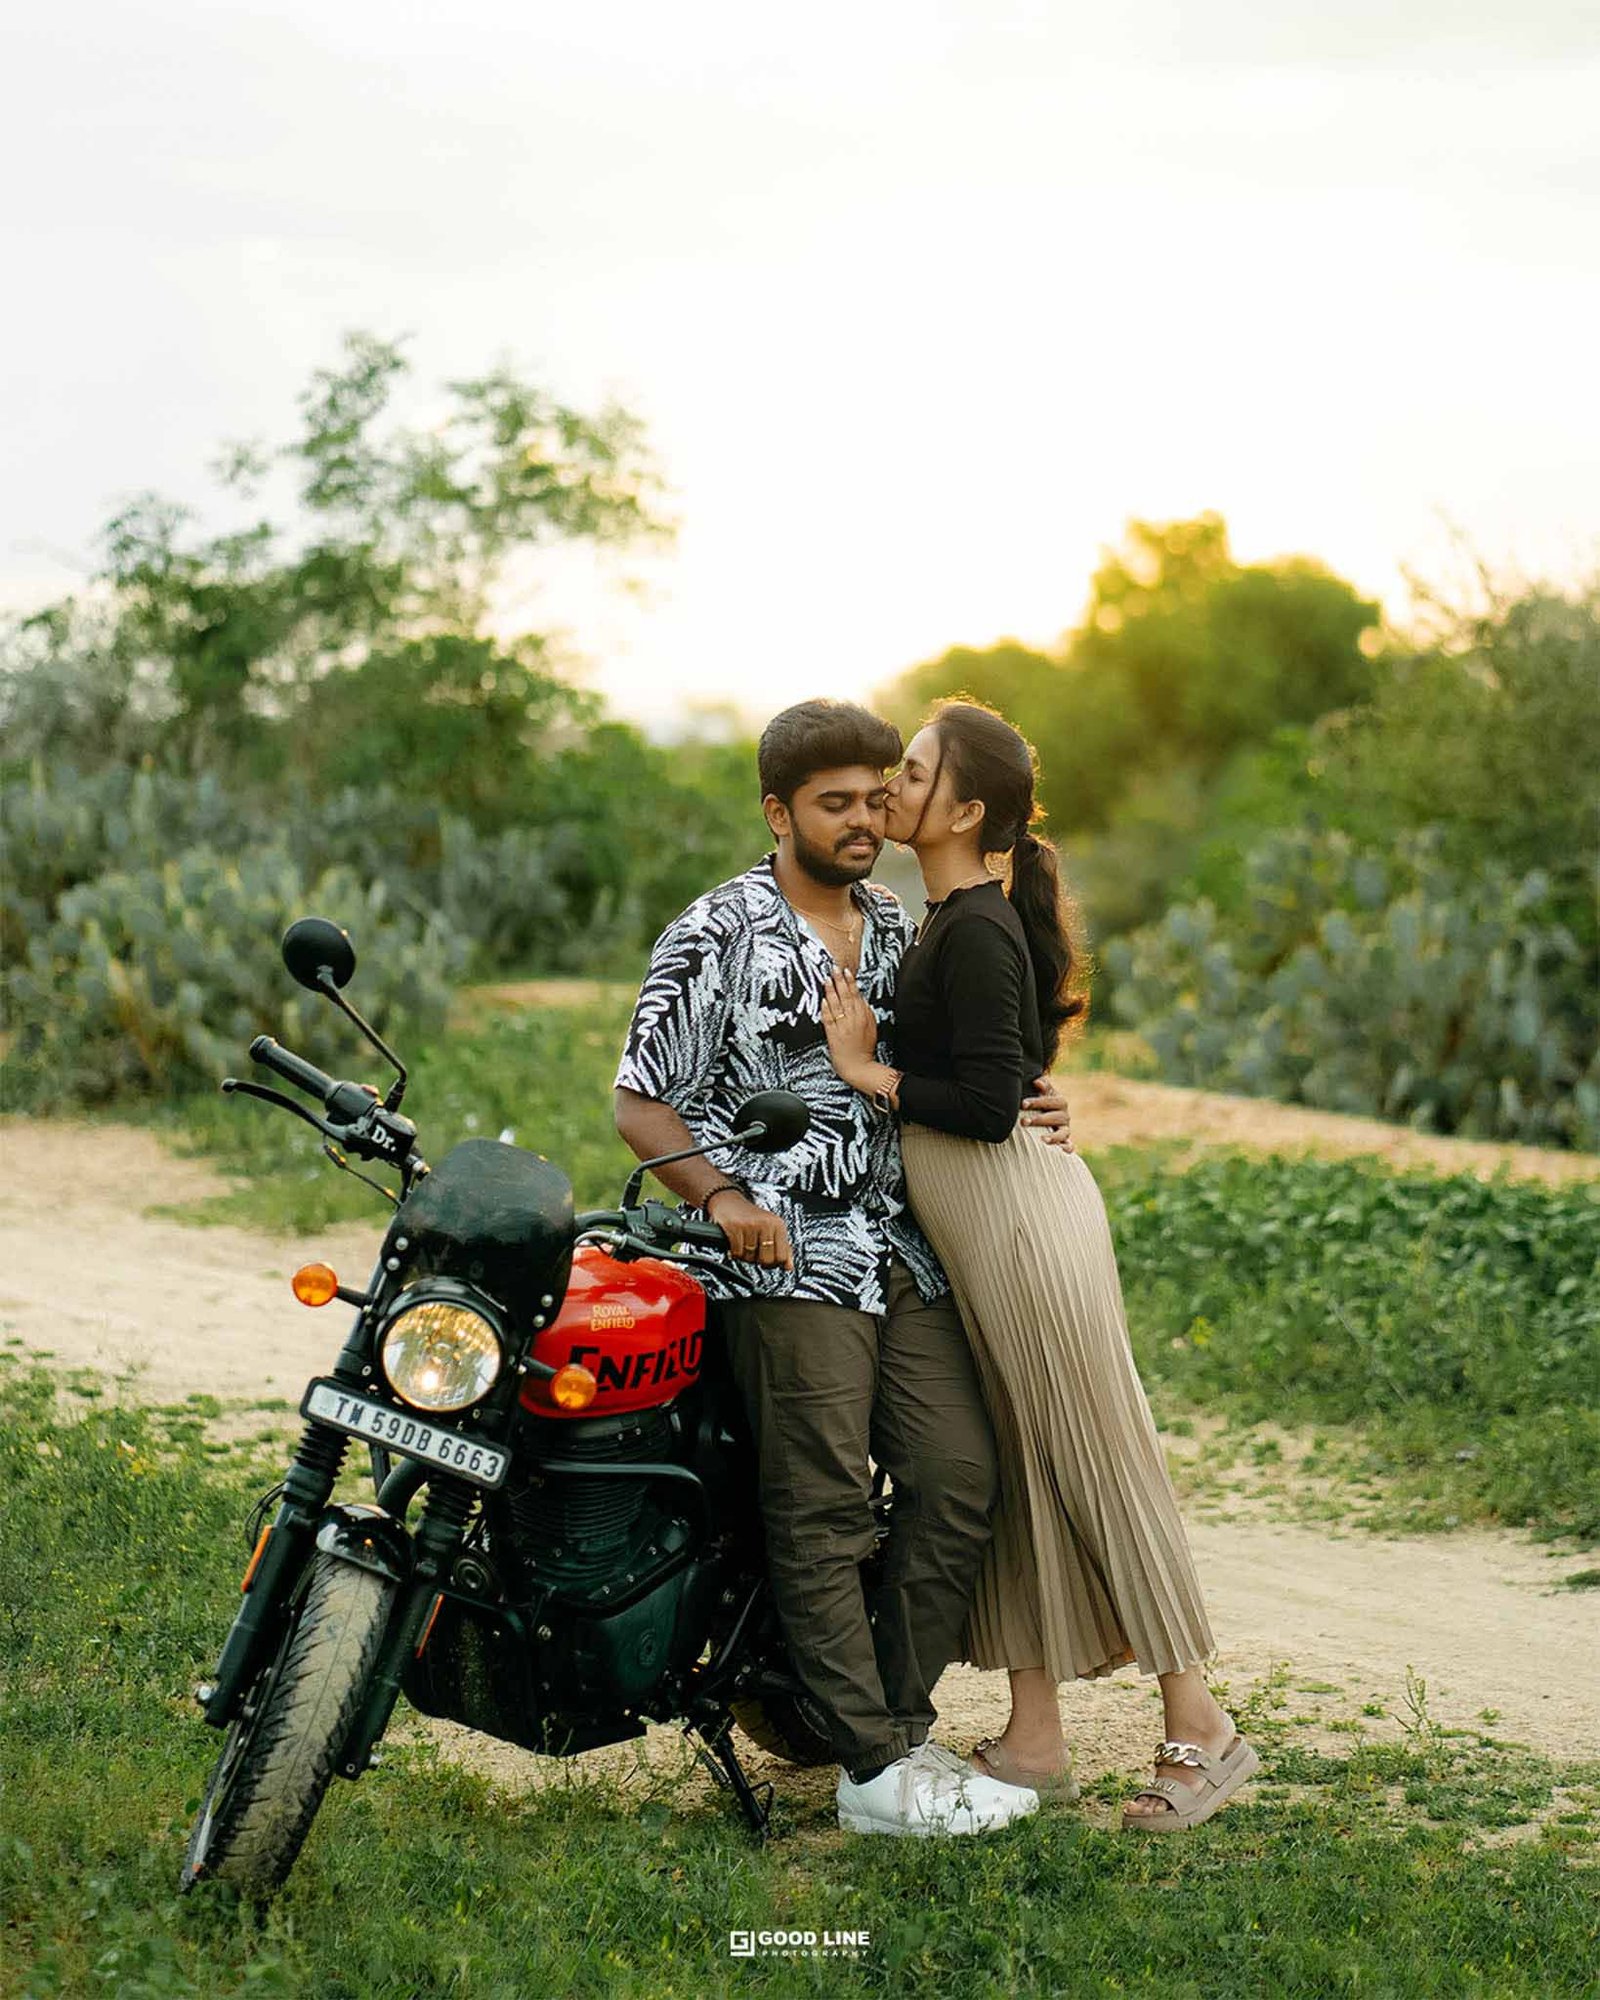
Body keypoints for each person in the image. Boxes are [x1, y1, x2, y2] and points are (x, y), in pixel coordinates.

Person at [612, 699, 1074, 1838]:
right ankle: (876, 1773)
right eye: (836, 802)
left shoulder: (892, 915)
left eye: (879, 794)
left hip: (899, 1241)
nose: (866, 819)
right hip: (782, 1253)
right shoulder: (717, 929)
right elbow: (639, 1096)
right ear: (778, 811)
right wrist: (721, 1199)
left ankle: (887, 1731)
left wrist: (1034, 1095)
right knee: (818, 1503)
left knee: (959, 1477)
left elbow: (950, 1065)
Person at [817, 699, 1259, 1832]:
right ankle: (1034, 1732)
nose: (889, 786)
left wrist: (868, 1071)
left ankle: (1200, 1724)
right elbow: (1012, 1072)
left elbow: (979, 1100)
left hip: (1017, 1223)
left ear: (963, 808)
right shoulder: (953, 916)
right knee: (1015, 1461)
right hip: (985, 1224)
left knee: (1093, 1454)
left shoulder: (972, 924)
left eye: (910, 772)